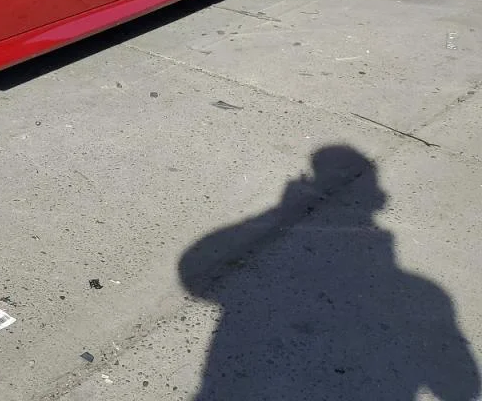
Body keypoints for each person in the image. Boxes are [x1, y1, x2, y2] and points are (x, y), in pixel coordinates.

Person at [179, 145, 479, 400]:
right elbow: (460, 386)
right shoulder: (424, 294)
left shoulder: (423, 293)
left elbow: (193, 275)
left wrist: (280, 212)